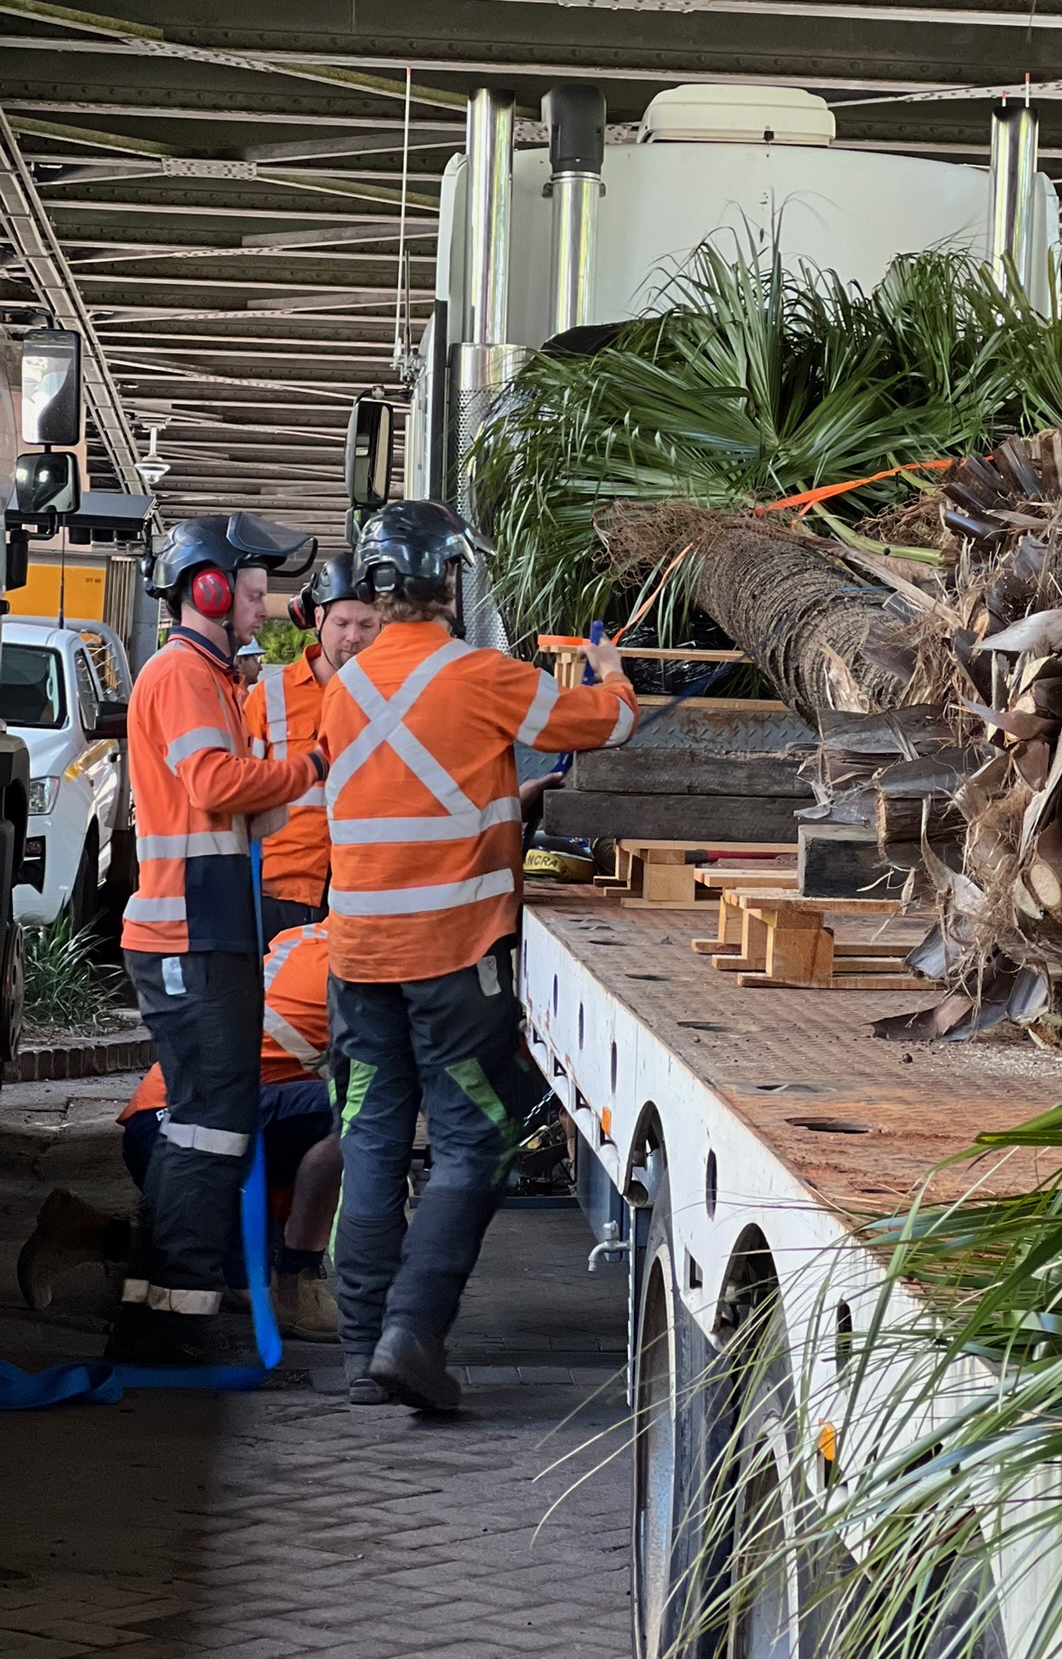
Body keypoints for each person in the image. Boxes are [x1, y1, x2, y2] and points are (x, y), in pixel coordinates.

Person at [320, 499, 637, 1411]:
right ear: (441, 581)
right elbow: (605, 725)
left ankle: (359, 1352)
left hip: (360, 957)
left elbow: (411, 789)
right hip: (454, 956)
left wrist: (501, 801)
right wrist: (611, 673)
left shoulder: (344, 689)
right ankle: (412, 1335)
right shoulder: (483, 675)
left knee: (373, 1138)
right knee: (473, 1138)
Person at [112, 513, 326, 1366]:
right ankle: (174, 1324)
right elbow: (214, 783)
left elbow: (242, 803)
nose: (261, 603)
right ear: (205, 587)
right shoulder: (184, 678)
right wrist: (311, 765)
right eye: (249, 588)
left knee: (203, 1120)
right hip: (188, 934)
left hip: (199, 928)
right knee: (208, 1124)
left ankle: (164, 1312)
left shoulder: (210, 677)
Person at [18, 923, 340, 1342]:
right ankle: (290, 1287)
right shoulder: (361, 973)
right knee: (359, 1112)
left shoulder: (310, 939)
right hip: (186, 1133)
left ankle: (86, 1232)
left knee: (214, 1262)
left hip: (173, 1124)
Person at [245, 552, 380, 950]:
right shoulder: (269, 697)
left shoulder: (397, 697)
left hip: (362, 894)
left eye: (366, 624)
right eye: (341, 623)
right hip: (281, 895)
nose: (353, 636)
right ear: (318, 619)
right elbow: (240, 794)